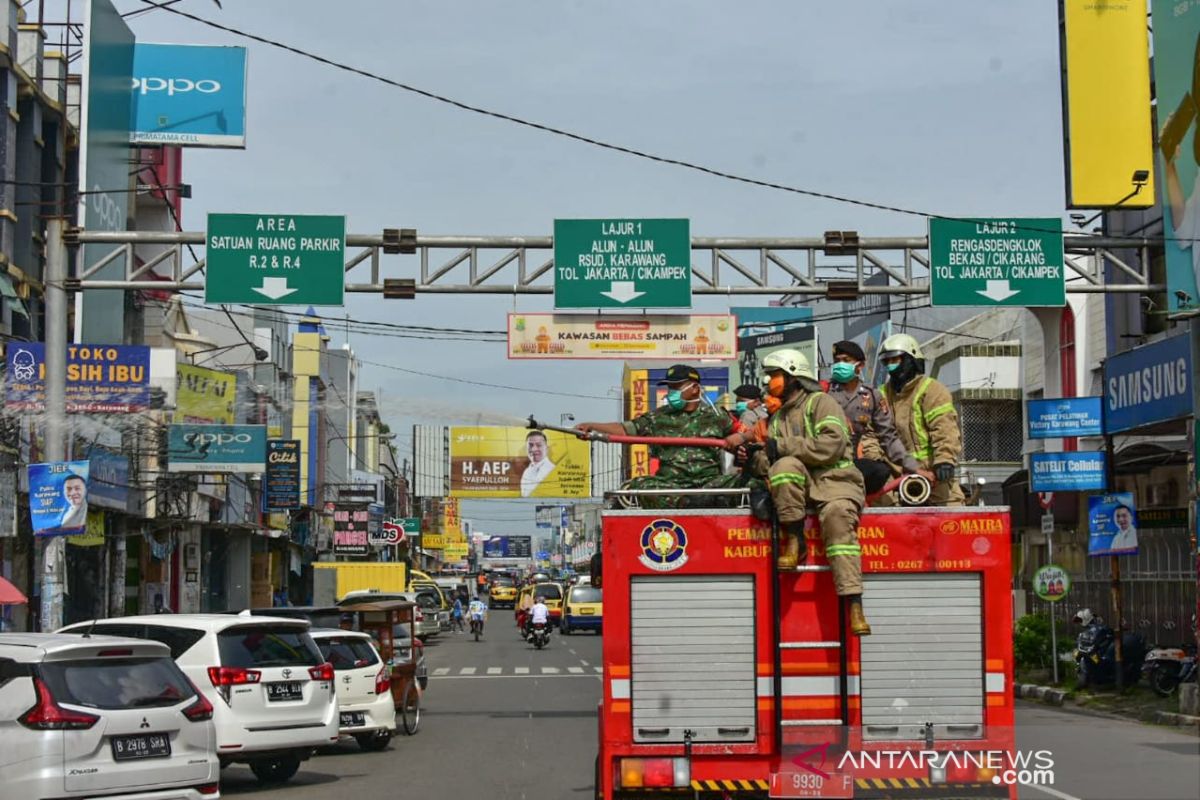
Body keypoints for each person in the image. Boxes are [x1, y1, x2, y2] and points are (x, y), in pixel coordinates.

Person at [739, 348, 871, 636]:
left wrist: (782, 447)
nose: (769, 381)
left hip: (836, 482)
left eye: (775, 375)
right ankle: (795, 541)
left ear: (793, 376)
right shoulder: (777, 418)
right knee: (784, 466)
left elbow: (832, 445)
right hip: (803, 489)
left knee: (837, 519)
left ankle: (854, 603)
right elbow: (774, 462)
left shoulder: (821, 403)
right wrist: (754, 459)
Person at [575, 364, 745, 508]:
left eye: (677, 388)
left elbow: (743, 433)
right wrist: (592, 426)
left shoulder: (717, 417)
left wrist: (741, 440)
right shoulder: (658, 417)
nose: (671, 393)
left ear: (695, 389)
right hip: (671, 485)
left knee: (749, 484)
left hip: (710, 483)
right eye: (670, 388)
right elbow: (626, 430)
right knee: (638, 486)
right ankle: (688, 504)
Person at [878, 333, 964, 506]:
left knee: (951, 520)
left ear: (911, 359)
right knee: (882, 521)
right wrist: (874, 462)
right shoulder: (880, 395)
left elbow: (945, 429)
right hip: (894, 478)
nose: (890, 367)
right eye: (886, 362)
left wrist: (944, 461)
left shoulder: (932, 390)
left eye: (895, 360)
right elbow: (871, 435)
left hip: (933, 475)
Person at [826, 340, 919, 496]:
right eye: (837, 361)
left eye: (846, 361)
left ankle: (857, 497)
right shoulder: (823, 392)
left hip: (850, 462)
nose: (840, 365)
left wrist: (913, 466)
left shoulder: (872, 396)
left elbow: (888, 437)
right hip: (823, 459)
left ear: (860, 365)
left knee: (880, 471)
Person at [520, 431, 557, 497]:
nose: (534, 449)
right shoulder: (526, 472)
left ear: (547, 448)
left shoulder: (552, 470)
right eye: (530, 445)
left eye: (539, 445)